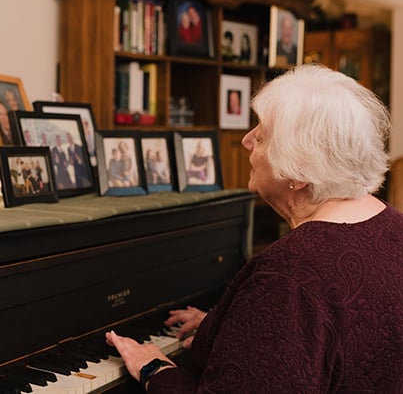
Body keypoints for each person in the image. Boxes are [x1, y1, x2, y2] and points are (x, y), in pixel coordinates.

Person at [105, 65, 403, 392]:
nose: (246, 140)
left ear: (298, 172)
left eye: (260, 135)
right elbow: (337, 337)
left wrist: (154, 370)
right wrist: (233, 327)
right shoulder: (394, 226)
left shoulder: (288, 276)